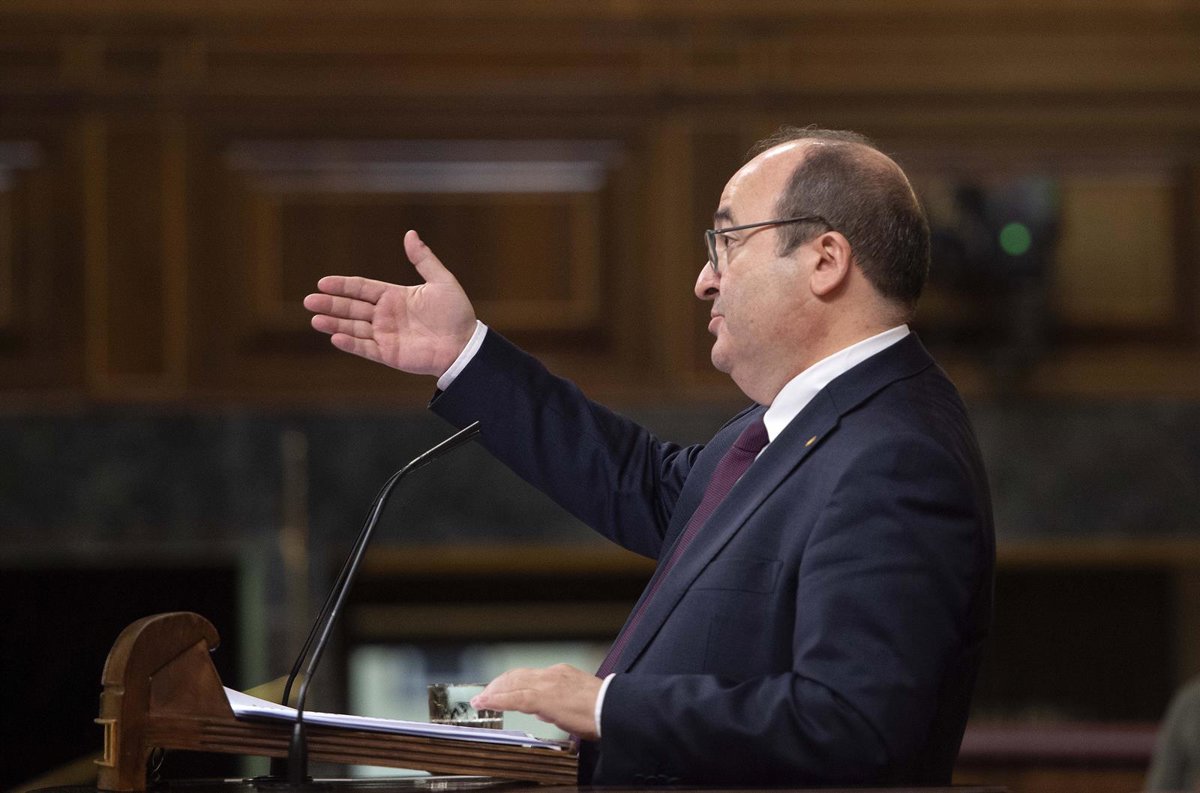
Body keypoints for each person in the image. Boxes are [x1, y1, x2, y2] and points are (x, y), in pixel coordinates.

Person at [304, 126, 995, 786]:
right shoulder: (796, 425)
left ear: (825, 260)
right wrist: (464, 356)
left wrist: (608, 706)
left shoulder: (896, 457)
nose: (704, 279)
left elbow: (853, 725)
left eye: (726, 241)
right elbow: (641, 484)